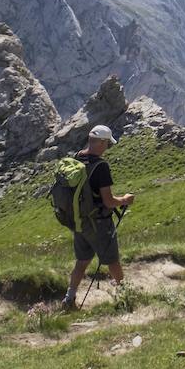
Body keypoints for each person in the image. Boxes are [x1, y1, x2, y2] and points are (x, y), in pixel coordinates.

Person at [62, 125, 134, 310]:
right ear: (101, 142)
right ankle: (125, 294)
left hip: (79, 221)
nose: (107, 148)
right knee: (112, 260)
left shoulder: (77, 158)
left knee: (82, 261)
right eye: (107, 144)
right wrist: (125, 199)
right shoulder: (101, 166)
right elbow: (108, 201)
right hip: (98, 223)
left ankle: (69, 298)